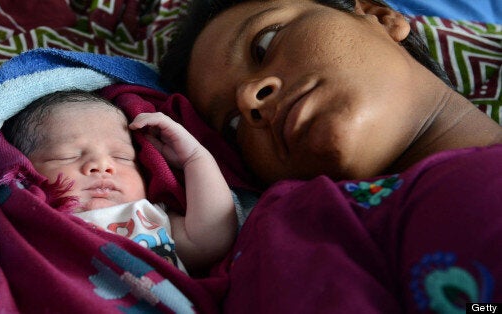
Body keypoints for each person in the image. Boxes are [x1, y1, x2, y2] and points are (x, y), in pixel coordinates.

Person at [159, 0, 502, 312]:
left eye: (263, 45)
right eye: (233, 125)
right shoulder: (281, 235)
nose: (250, 100)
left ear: (380, 17)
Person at [1, 89, 236, 274]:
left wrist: (194, 158)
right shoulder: (26, 219)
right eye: (67, 156)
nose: (103, 165)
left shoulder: (146, 218)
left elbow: (211, 239)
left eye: (122, 157)